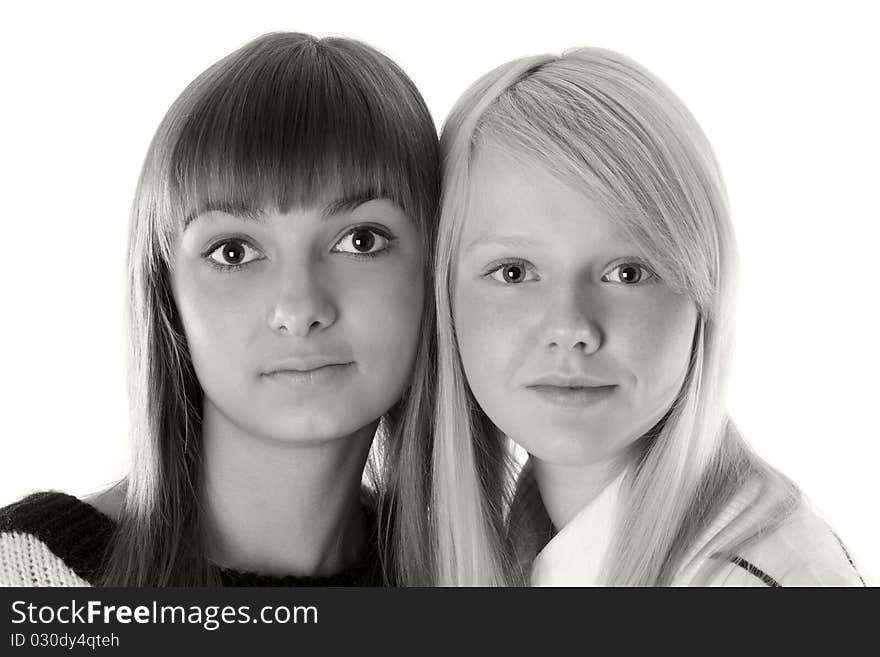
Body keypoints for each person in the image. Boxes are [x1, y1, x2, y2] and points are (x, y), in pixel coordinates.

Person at [0, 32, 439, 586]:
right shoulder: (26, 580)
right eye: (234, 252)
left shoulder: (487, 584)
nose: (299, 308)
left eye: (361, 241)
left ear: (436, 266)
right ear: (166, 291)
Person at [429, 48, 866, 586]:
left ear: (704, 293)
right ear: (443, 294)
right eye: (514, 272)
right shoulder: (526, 548)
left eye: (628, 273)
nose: (570, 328)